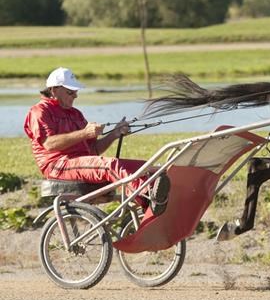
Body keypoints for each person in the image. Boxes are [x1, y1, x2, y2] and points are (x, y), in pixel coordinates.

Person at [24, 67, 169, 215]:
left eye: (76, 92)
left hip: (80, 162)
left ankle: (158, 198)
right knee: (109, 165)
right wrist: (84, 133)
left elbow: (93, 150)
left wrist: (114, 134)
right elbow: (49, 144)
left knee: (145, 167)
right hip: (57, 165)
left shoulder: (76, 114)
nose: (75, 96)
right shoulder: (39, 111)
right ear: (54, 90)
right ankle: (146, 198)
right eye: (70, 92)